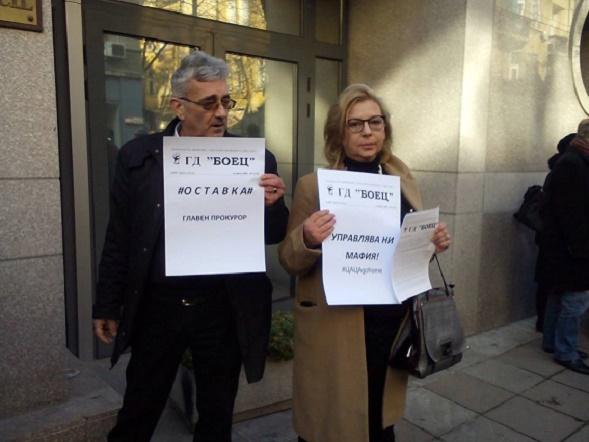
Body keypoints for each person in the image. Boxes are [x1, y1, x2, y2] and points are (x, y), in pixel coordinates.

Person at [93, 51, 289, 441]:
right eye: (209, 103)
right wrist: (107, 303)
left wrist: (273, 205)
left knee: (217, 414)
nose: (221, 113)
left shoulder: (254, 160)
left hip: (223, 307)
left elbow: (273, 234)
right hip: (158, 308)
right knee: (139, 409)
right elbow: (120, 237)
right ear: (178, 107)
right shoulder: (139, 157)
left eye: (226, 101)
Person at [278, 84, 451, 442]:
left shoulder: (401, 182)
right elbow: (289, 260)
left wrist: (431, 244)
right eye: (355, 124)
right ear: (338, 133)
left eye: (376, 121)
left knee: (378, 419)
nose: (368, 132)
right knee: (331, 421)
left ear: (385, 127)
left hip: (392, 321)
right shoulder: (314, 186)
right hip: (338, 325)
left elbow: (407, 250)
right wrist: (307, 238)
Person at [538, 119, 589, 375]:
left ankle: (552, 342)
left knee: (559, 294)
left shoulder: (573, 160)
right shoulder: (573, 164)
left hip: (561, 246)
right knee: (576, 300)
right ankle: (566, 350)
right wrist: (581, 248)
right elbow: (571, 214)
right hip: (572, 247)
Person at [533, 133, 576, 332]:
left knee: (550, 287)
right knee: (555, 289)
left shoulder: (558, 169)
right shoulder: (567, 170)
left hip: (551, 240)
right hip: (559, 241)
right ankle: (548, 330)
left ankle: (546, 328)